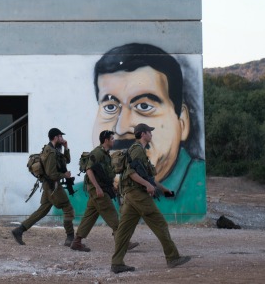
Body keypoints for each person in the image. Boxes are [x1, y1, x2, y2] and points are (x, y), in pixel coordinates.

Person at [92, 42, 205, 222]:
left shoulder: (197, 183)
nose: (120, 129)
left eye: (144, 106)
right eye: (110, 107)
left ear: (182, 123)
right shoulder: (78, 194)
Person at [110, 123, 191, 273]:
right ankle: (172, 257)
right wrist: (147, 185)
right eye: (149, 132)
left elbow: (147, 176)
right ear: (142, 134)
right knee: (160, 223)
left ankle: (117, 263)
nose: (151, 134)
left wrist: (163, 189)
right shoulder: (137, 150)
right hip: (137, 195)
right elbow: (132, 173)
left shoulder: (139, 150)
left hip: (131, 196)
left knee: (124, 230)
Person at [70, 130, 139, 252]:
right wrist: (97, 187)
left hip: (101, 189)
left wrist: (110, 186)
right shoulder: (97, 153)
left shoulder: (106, 154)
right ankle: (123, 243)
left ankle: (77, 242)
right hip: (98, 190)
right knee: (113, 216)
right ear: (106, 140)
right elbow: (89, 169)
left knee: (89, 216)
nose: (114, 141)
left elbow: (104, 173)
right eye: (112, 139)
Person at [12, 128, 76, 246]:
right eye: (61, 136)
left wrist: (66, 147)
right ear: (56, 137)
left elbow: (67, 160)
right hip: (53, 185)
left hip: (49, 186)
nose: (62, 138)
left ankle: (19, 230)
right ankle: (70, 237)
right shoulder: (51, 152)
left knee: (42, 211)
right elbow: (52, 174)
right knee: (67, 208)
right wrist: (64, 175)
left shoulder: (54, 150)